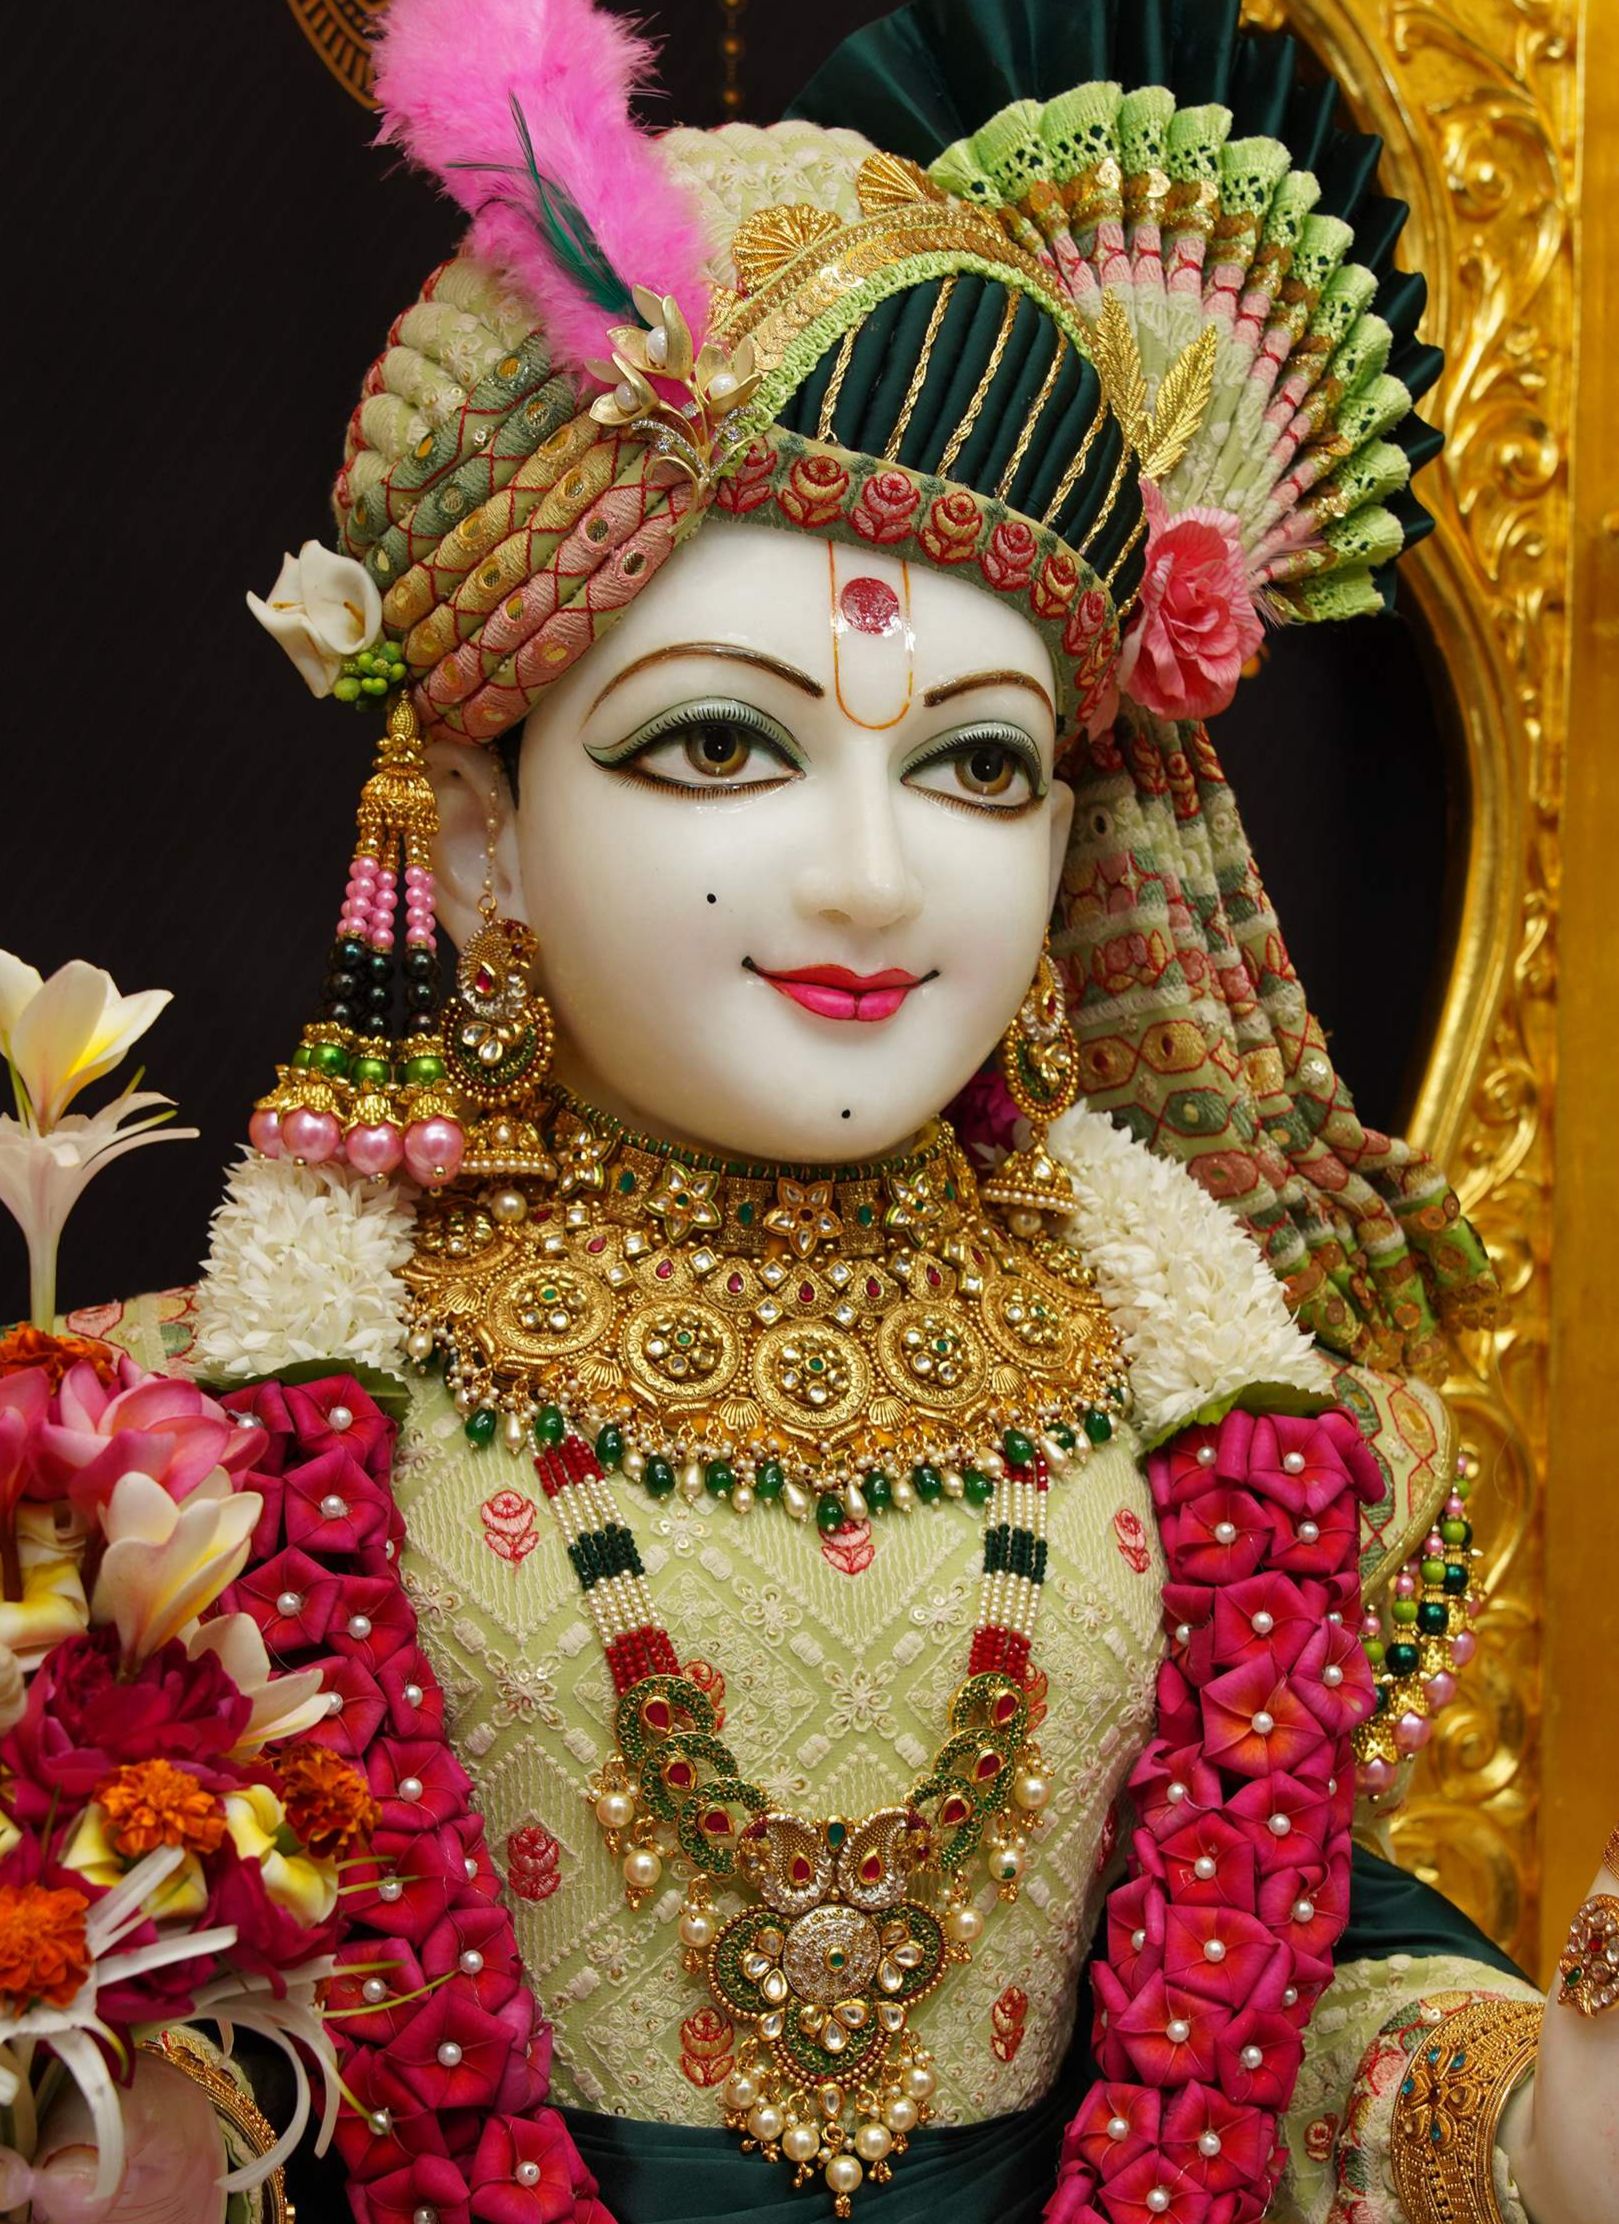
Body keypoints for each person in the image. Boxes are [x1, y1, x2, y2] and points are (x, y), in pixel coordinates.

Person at [40, 0, 1617, 2218]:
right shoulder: (179, 1448)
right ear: (477, 830)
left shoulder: (1225, 1410)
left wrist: (1541, 2118)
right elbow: (207, 2011)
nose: (875, 877)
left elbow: (1279, 1994)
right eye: (722, 743)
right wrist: (141, 2128)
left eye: (975, 763)